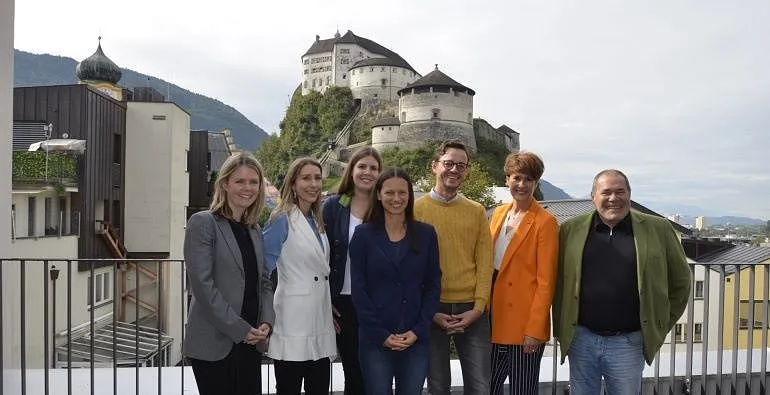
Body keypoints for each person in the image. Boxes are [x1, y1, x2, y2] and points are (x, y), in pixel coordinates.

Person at [553, 169, 691, 394]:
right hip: (581, 338)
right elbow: (558, 282)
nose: (613, 198)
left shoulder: (659, 228)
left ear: (629, 194)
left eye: (620, 191)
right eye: (605, 192)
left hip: (629, 341)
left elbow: (682, 281)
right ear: (593, 197)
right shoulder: (570, 229)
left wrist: (659, 323)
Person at [183, 152, 275, 395]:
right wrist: (240, 329)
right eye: (240, 181)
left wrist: (266, 321)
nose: (248, 188)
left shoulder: (253, 229)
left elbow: (263, 282)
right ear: (224, 184)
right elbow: (203, 287)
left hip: (251, 341)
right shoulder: (203, 223)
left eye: (253, 182)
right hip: (215, 343)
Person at [349, 168, 441, 395]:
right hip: (375, 340)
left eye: (402, 192)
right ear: (378, 195)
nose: (396, 199)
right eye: (389, 193)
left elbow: (433, 285)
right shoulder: (363, 235)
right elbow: (359, 290)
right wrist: (381, 335)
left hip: (415, 338)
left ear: (410, 195)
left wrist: (419, 330)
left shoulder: (426, 234)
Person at [414, 140, 493, 395]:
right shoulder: (415, 210)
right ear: (434, 166)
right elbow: (411, 268)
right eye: (448, 163)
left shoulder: (477, 211)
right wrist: (429, 311)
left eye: (461, 165)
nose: (455, 170)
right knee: (437, 386)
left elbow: (485, 263)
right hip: (432, 307)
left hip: (471, 308)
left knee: (481, 386)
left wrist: (478, 308)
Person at [263, 157, 336, 395]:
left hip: (319, 315)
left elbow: (319, 272)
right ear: (293, 184)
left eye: (317, 178)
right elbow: (263, 269)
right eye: (306, 178)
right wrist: (264, 315)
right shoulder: (280, 219)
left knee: (319, 388)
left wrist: (329, 307)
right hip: (293, 317)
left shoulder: (316, 221)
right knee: (289, 388)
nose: (313, 184)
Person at [487, 152, 558, 395]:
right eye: (517, 178)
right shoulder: (498, 213)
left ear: (536, 183)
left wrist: (535, 330)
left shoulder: (545, 222)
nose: (522, 185)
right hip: (492, 319)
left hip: (523, 326)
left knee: (523, 390)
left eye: (529, 179)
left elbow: (546, 282)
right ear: (507, 179)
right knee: (487, 387)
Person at [322, 146, 382, 395]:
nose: (368, 172)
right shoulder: (334, 206)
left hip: (379, 302)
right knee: (353, 373)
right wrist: (326, 299)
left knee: (376, 373)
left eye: (374, 168)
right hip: (343, 303)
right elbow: (321, 255)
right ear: (352, 170)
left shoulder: (385, 206)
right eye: (362, 166)